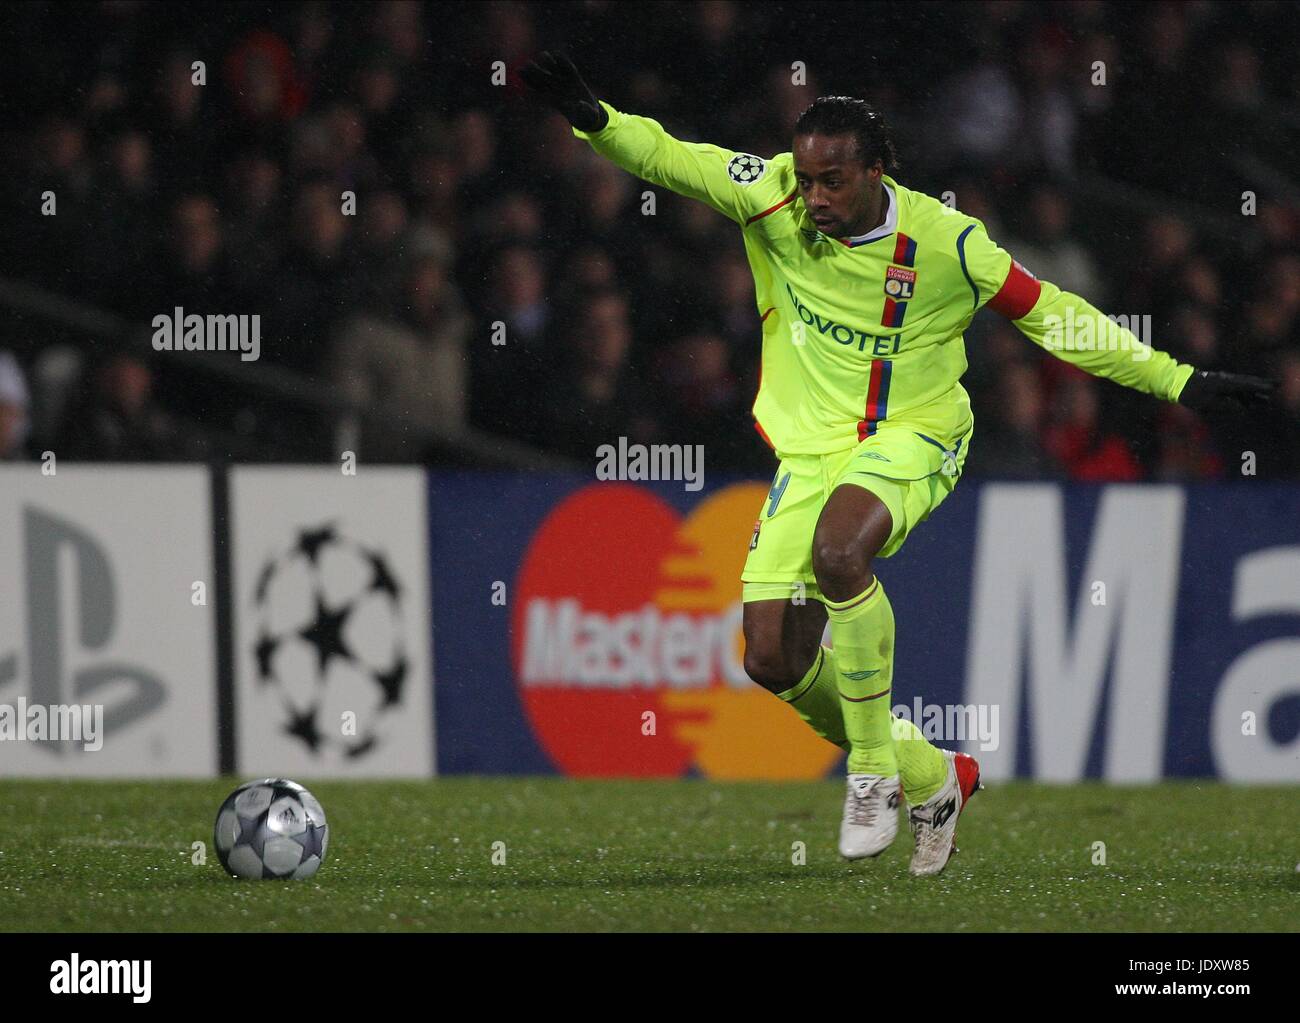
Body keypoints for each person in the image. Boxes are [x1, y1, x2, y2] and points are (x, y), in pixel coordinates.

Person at [522, 52, 1274, 876]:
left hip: (915, 432)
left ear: (876, 172)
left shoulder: (950, 244)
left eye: (832, 181)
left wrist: (1180, 379)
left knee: (840, 553)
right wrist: (595, 118)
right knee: (770, 658)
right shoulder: (770, 192)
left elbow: (1056, 317)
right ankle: (934, 772)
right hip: (809, 454)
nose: (813, 197)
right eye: (807, 178)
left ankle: (873, 769)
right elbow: (672, 156)